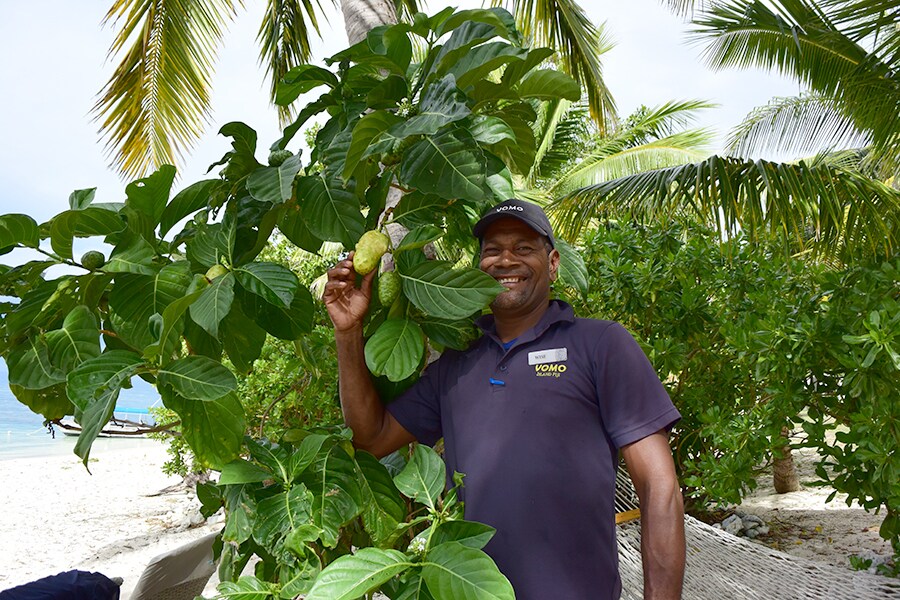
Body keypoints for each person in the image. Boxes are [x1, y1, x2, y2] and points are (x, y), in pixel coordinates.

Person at [324, 198, 686, 600]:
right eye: (492, 250)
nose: (505, 260)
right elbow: (370, 439)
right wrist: (348, 332)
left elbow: (659, 487)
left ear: (552, 263)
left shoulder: (601, 345)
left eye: (524, 248)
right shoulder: (455, 364)